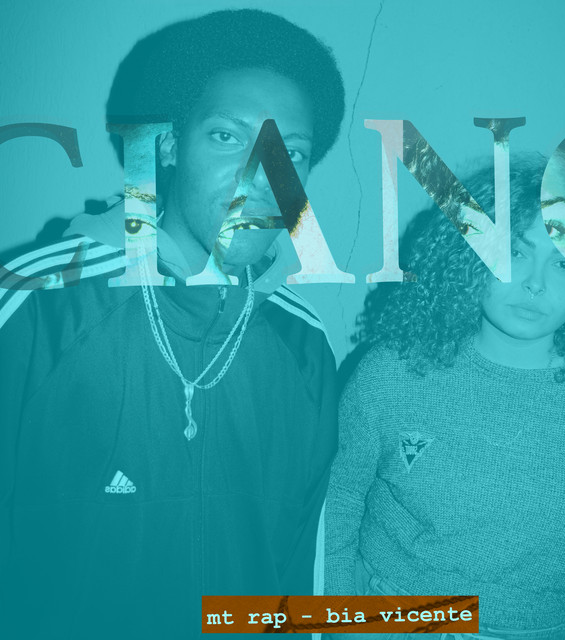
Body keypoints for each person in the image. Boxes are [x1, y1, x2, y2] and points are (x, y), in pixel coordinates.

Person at [0, 9, 344, 639]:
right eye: (227, 136)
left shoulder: (304, 344)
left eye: (290, 152)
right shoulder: (38, 306)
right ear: (168, 144)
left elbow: (300, 574)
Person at [324, 154, 565, 640]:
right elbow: (339, 499)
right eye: (516, 251)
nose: (535, 284)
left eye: (564, 263)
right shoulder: (392, 371)